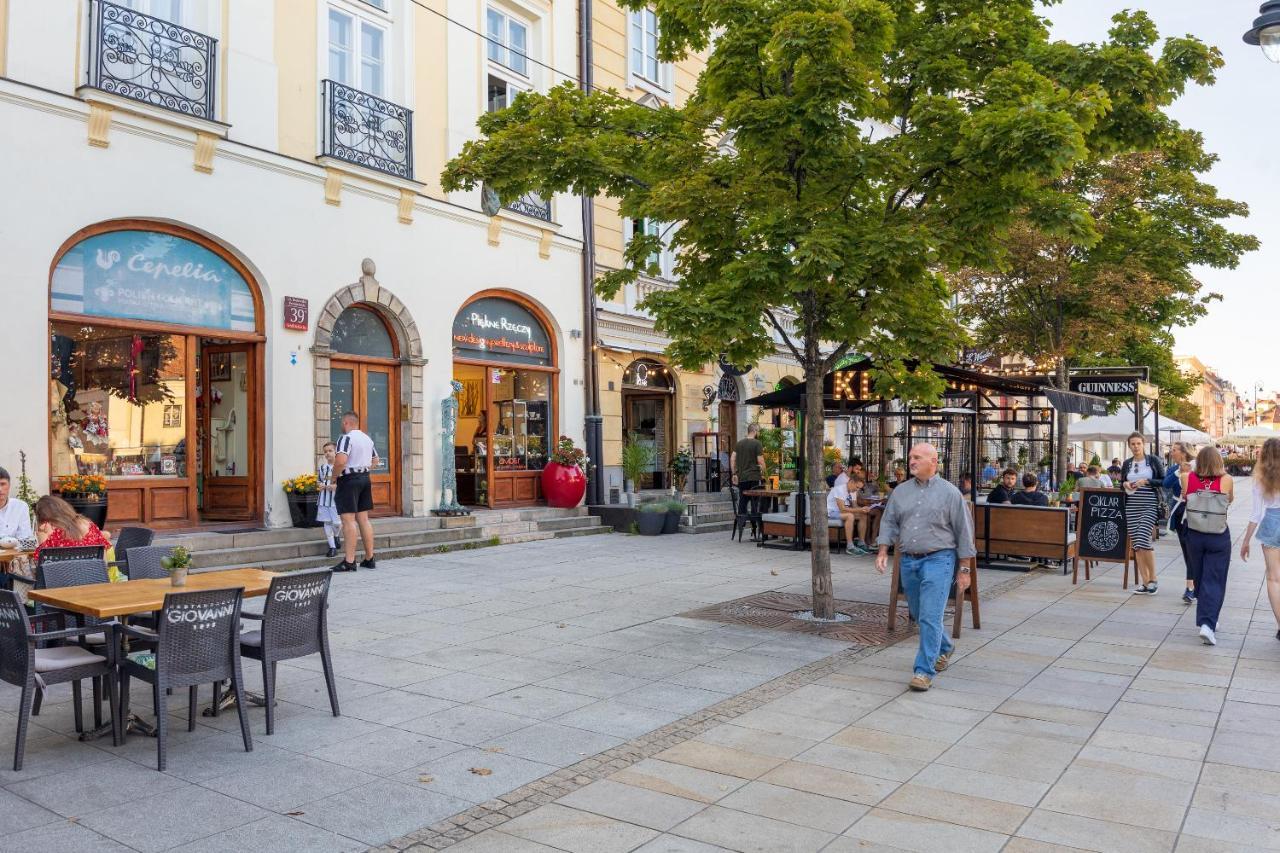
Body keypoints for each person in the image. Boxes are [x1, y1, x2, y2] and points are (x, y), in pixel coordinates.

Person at [875, 443, 975, 692]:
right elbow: (889, 521)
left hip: (939, 559)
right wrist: (883, 550)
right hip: (908, 559)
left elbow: (964, 532)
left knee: (931, 616)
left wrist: (964, 569)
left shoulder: (950, 493)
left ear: (934, 461)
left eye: (917, 457)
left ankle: (923, 671)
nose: (911, 461)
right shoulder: (901, 492)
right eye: (910, 457)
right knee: (920, 614)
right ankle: (945, 647)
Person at [1180, 447, 1234, 645]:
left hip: (1194, 533)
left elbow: (1185, 497)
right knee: (1215, 579)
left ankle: (1210, 619)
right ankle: (1208, 624)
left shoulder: (1187, 477)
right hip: (1218, 535)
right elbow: (1230, 500)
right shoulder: (1227, 479)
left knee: (1200, 578)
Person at [1241, 437, 1280, 641]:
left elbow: (1256, 514)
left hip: (1272, 522)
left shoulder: (1260, 479)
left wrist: (1246, 541)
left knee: (1274, 578)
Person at [332, 411, 379, 572]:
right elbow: (375, 460)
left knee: (348, 520)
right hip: (365, 478)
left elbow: (340, 461)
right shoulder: (367, 438)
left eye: (342, 423)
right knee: (363, 519)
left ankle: (350, 561)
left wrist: (333, 477)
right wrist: (363, 469)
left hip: (349, 480)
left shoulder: (345, 438)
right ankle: (369, 558)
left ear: (346, 423)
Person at [1122, 432, 1166, 595]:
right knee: (1137, 544)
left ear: (1143, 444)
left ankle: (1153, 579)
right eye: (1132, 444)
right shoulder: (1127, 463)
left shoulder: (1153, 461)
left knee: (1142, 538)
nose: (1135, 447)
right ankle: (1145, 582)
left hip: (1149, 504)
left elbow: (1163, 480)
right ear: (1129, 446)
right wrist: (1126, 483)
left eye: (1138, 444)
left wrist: (1146, 481)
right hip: (1132, 506)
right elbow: (1121, 483)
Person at [33, 495, 110, 560]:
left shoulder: (53, 535)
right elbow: (104, 562)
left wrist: (41, 532)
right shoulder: (90, 526)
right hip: (94, 576)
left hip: (63, 577)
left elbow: (41, 562)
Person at [1163, 442, 1194, 603]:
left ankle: (1190, 587)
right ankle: (1192, 585)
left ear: (1183, 452)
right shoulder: (1172, 469)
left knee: (1192, 548)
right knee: (1186, 547)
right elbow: (1165, 485)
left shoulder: (1196, 467)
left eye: (1174, 450)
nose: (1171, 452)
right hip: (1179, 511)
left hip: (1194, 511)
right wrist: (1178, 473)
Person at [826, 474, 870, 556]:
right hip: (831, 512)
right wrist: (859, 509)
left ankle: (861, 543)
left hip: (841, 512)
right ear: (851, 482)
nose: (857, 490)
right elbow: (842, 509)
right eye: (857, 487)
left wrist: (863, 509)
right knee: (850, 516)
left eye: (859, 488)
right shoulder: (839, 489)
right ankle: (850, 547)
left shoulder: (853, 491)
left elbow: (855, 506)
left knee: (863, 515)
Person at [731, 423, 766, 518]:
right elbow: (760, 460)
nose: (758, 433)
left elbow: (732, 458)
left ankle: (741, 521)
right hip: (754, 477)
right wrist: (765, 473)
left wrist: (734, 473)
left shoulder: (739, 443)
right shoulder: (757, 443)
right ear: (755, 431)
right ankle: (754, 522)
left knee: (743, 500)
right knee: (755, 500)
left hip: (742, 477)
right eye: (758, 431)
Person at [317, 442, 341, 558]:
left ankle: (336, 536)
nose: (327, 453)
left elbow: (345, 483)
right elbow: (319, 481)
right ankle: (332, 547)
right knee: (327, 522)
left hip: (336, 501)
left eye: (330, 451)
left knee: (337, 523)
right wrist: (320, 485)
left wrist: (336, 487)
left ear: (336, 452)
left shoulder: (341, 467)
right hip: (324, 500)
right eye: (325, 451)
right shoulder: (322, 468)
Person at [0, 467, 33, 541]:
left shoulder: (20, 507)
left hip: (15, 552)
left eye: (3, 484)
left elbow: (25, 537)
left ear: (9, 485)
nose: (0, 489)